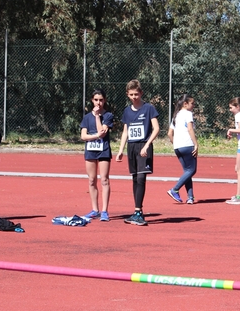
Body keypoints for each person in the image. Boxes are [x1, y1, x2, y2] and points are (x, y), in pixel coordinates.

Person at [115, 79, 160, 226]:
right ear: (127, 95)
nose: (134, 97)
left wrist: (147, 145)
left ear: (141, 93)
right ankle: (136, 212)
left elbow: (156, 129)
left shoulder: (148, 109)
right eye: (131, 94)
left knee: (141, 178)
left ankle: (139, 212)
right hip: (132, 147)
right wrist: (121, 150)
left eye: (136, 94)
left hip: (143, 146)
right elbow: (125, 131)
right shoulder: (127, 111)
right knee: (135, 178)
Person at [80, 89, 114, 221]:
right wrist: (94, 136)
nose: (98, 103)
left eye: (101, 100)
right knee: (91, 180)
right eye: (96, 100)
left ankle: (104, 211)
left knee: (104, 179)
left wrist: (97, 116)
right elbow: (83, 136)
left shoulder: (108, 116)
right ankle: (95, 209)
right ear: (92, 100)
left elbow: (102, 131)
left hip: (104, 150)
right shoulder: (86, 117)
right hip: (90, 151)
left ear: (104, 101)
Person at [167, 94, 199, 204]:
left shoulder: (176, 116)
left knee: (187, 172)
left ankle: (190, 197)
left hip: (178, 147)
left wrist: (175, 142)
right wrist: (195, 144)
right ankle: (174, 189)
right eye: (192, 103)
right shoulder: (188, 113)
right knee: (192, 170)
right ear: (185, 104)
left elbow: (169, 133)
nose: (194, 105)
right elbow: (190, 129)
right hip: (187, 144)